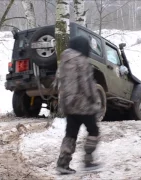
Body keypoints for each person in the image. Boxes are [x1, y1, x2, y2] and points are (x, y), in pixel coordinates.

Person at [55, 36, 102, 174]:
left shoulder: (63, 61)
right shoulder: (82, 61)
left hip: (69, 106)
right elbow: (87, 84)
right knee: (94, 131)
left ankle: (62, 164)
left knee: (70, 134)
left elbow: (59, 82)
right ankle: (88, 160)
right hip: (83, 106)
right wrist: (95, 100)